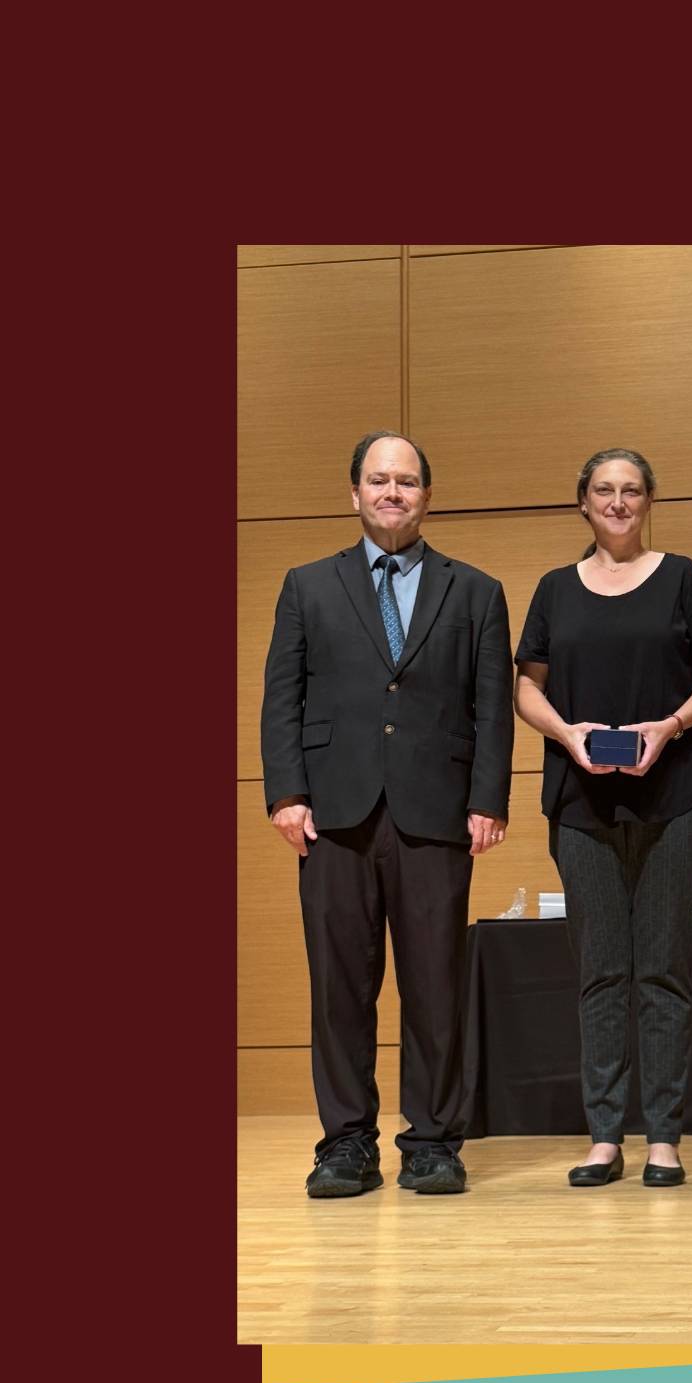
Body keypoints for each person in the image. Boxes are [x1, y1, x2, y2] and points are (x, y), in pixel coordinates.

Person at [261, 431, 514, 1199]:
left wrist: (487, 800)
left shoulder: (474, 591)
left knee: (436, 983)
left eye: (406, 481)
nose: (392, 492)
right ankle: (345, 1143)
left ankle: (433, 1141)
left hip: (437, 813)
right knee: (339, 987)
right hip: (332, 813)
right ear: (355, 494)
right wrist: (286, 793)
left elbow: (493, 708)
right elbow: (282, 698)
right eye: (379, 480)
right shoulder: (307, 585)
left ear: (426, 496)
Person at [515, 448, 692, 1187]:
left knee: (664, 967)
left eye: (631, 490)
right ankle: (605, 1135)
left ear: (648, 501)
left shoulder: (683, 578)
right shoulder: (554, 589)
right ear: (582, 501)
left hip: (674, 799)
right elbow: (527, 687)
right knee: (602, 970)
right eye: (604, 490)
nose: (617, 502)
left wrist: (670, 725)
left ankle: (665, 1138)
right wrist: (567, 734)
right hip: (582, 804)